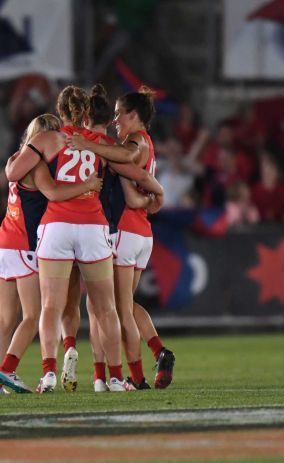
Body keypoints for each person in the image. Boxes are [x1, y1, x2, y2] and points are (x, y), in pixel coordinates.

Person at [4, 85, 138, 393]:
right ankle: (116, 378)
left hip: (57, 226)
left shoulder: (47, 139)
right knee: (106, 308)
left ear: (60, 111)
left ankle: (49, 372)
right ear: (88, 113)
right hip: (92, 227)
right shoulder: (100, 142)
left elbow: (13, 174)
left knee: (51, 306)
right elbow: (128, 160)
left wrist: (18, 160)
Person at [67, 86, 175, 389]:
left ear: (133, 115)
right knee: (124, 304)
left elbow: (126, 161)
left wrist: (89, 144)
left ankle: (136, 378)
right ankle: (158, 350)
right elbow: (137, 184)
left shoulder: (135, 141)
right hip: (141, 233)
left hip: (125, 231)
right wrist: (153, 196)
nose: (116, 121)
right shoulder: (145, 143)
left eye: (119, 114)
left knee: (116, 309)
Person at [0, 113, 102, 394]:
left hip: (1, 242)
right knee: (32, 315)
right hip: (23, 244)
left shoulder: (15, 159)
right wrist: (87, 186)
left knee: (4, 318)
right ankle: (7, 370)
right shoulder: (37, 166)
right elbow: (52, 194)